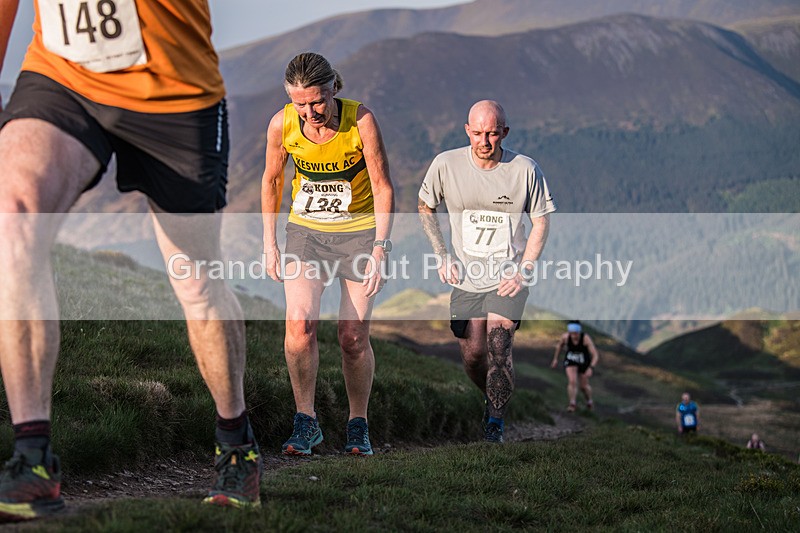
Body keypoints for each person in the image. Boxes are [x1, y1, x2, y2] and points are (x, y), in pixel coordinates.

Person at [0, 1, 260, 520]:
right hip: (62, 74)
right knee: (13, 214)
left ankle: (236, 442)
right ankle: (33, 461)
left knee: (195, 278)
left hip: (175, 93)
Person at [261, 52, 394, 457]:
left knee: (352, 337)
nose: (309, 111)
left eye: (317, 101)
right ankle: (306, 422)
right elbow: (271, 180)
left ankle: (358, 424)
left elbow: (384, 186)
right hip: (306, 234)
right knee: (300, 325)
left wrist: (380, 249)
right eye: (300, 103)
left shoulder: (361, 121)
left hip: (358, 234)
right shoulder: (283, 124)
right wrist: (269, 243)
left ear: (334, 87)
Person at [418, 100, 556, 443]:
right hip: (465, 277)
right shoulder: (445, 165)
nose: (484, 141)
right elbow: (425, 205)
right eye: (478, 133)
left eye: (492, 134)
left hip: (508, 276)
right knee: (474, 354)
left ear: (504, 133)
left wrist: (524, 270)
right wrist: (441, 254)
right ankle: (494, 393)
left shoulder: (525, 169)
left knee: (499, 345)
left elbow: (541, 221)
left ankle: (495, 424)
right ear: (467, 131)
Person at [551, 321, 600, 412]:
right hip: (571, 360)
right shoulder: (565, 337)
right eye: (571, 333)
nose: (574, 336)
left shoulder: (585, 339)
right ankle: (572, 404)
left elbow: (595, 355)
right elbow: (559, 346)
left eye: (575, 334)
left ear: (579, 332)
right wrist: (555, 359)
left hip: (583, 362)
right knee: (572, 381)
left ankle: (589, 401)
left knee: (583, 386)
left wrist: (591, 368)